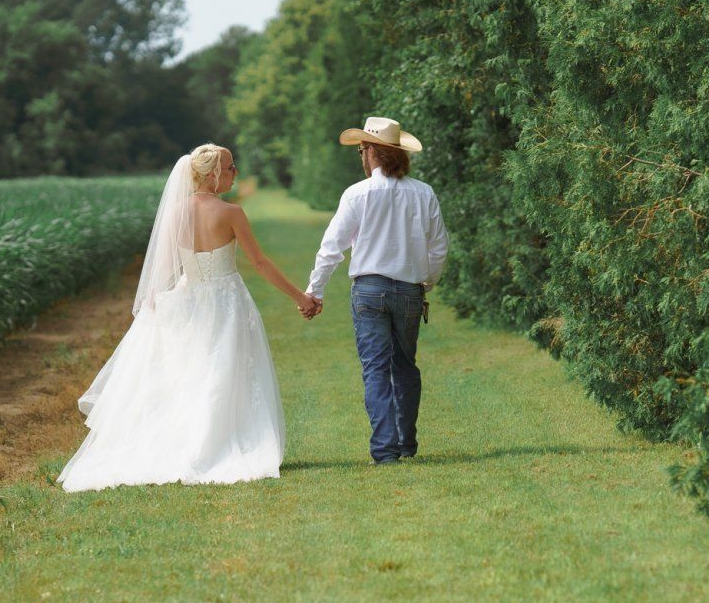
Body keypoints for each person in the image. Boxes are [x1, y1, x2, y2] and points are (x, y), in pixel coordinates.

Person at [57, 144, 315, 491]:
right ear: (212, 174)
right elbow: (260, 263)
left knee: (193, 372)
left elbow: (165, 268)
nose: (234, 173)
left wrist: (158, 305)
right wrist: (301, 297)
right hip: (226, 301)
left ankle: (189, 443)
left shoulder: (175, 213)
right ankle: (218, 443)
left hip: (188, 300)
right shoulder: (231, 213)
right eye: (230, 167)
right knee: (222, 371)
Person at [303, 117, 449, 465]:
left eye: (362, 150)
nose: (361, 156)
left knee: (376, 369)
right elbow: (439, 248)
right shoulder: (423, 192)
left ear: (372, 152)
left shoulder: (358, 193)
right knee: (404, 367)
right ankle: (406, 443)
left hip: (369, 290)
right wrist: (424, 281)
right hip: (410, 291)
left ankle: (385, 450)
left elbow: (332, 247)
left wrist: (315, 291)